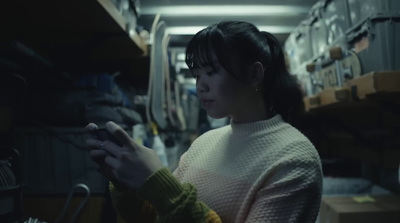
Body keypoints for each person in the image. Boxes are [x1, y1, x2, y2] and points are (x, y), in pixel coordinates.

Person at [86, 21, 322, 223]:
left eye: (212, 71)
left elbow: (172, 204)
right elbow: (156, 217)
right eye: (197, 74)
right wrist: (126, 182)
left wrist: (158, 182)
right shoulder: (205, 143)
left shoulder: (295, 159)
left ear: (254, 74)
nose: (201, 86)